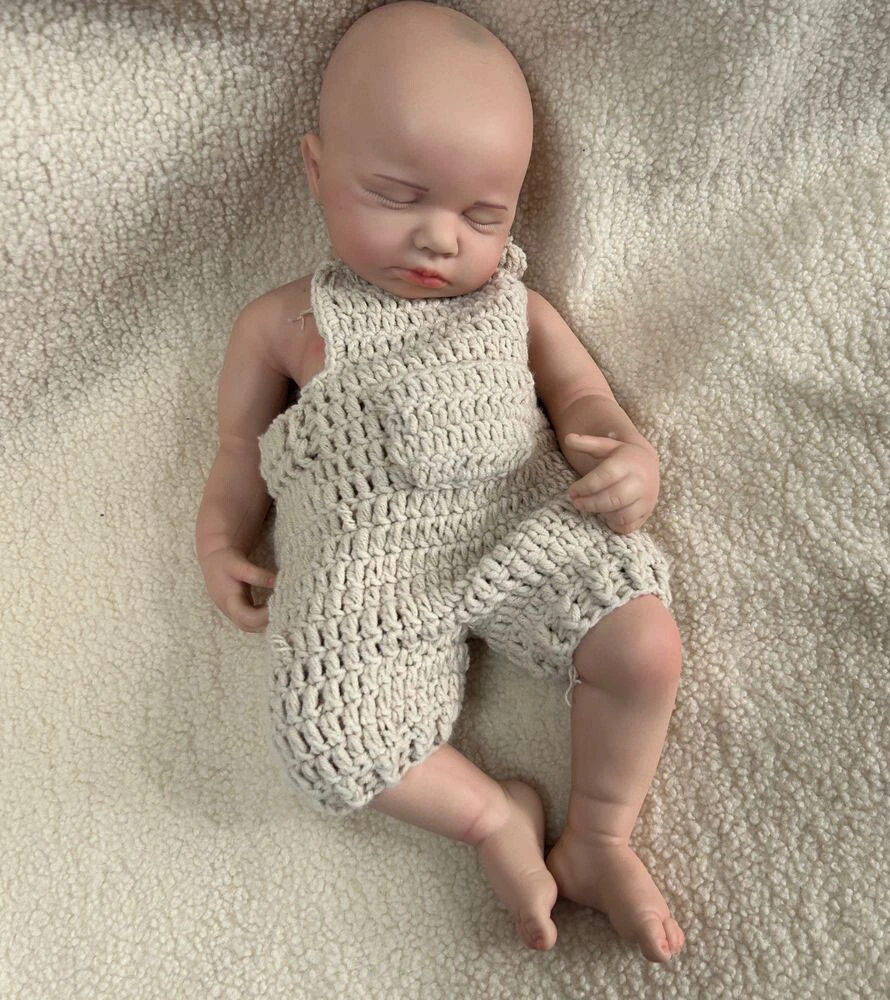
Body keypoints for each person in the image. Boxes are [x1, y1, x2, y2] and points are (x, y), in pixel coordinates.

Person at [196, 0, 684, 963]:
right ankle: (493, 817)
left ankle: (600, 835)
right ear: (316, 170)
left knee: (645, 644)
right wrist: (220, 538)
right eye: (396, 196)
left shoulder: (516, 306)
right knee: (327, 737)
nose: (439, 238)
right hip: (366, 568)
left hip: (519, 521)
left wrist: (630, 457)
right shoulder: (281, 324)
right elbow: (237, 447)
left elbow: (583, 400)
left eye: (482, 215)